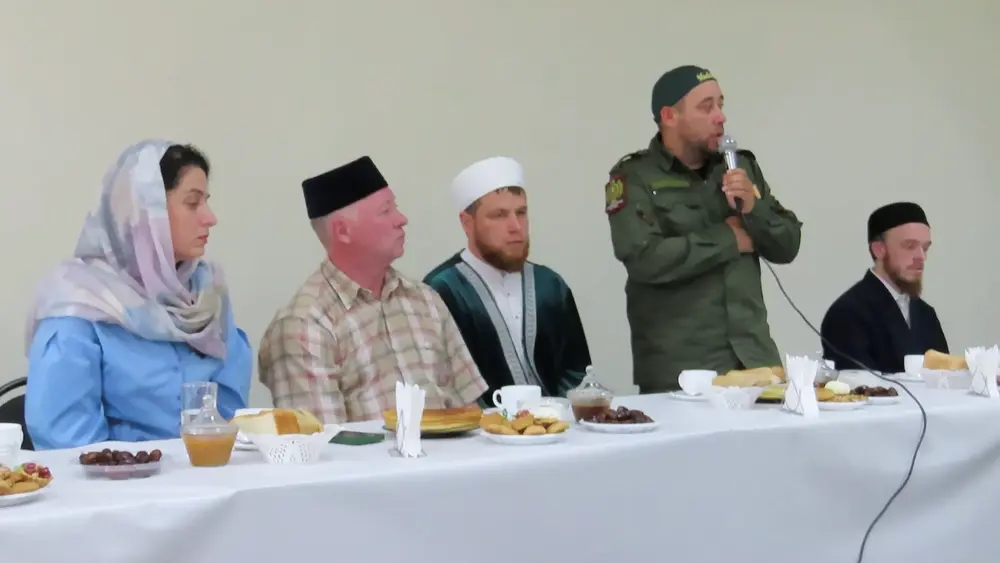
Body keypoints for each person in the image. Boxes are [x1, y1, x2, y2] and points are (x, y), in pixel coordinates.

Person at [25, 140, 252, 450]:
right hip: (117, 476)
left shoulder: (207, 291)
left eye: (206, 202)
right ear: (146, 211)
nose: (210, 217)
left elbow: (230, 416)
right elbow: (68, 441)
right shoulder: (80, 301)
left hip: (210, 470)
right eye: (192, 203)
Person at [604, 65, 803, 393]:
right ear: (669, 116)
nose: (720, 117)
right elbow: (643, 258)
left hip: (755, 359)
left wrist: (753, 208)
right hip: (683, 371)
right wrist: (729, 239)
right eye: (706, 107)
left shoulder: (739, 165)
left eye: (721, 104)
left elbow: (788, 245)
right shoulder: (635, 177)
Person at [257, 156, 489, 423]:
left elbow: (470, 414)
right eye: (386, 211)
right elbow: (325, 442)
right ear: (343, 231)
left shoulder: (425, 300)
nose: (402, 219)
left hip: (455, 450)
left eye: (396, 208)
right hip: (368, 454)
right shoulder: (304, 324)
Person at [424, 157, 592, 404]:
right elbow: (444, 386)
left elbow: (577, 372)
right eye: (499, 215)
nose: (516, 226)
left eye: (521, 213)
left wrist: (561, 413)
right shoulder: (441, 290)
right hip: (480, 426)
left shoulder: (550, 285)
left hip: (558, 422)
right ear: (467, 223)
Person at [820, 202, 946, 374]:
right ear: (879, 249)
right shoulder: (847, 314)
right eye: (910, 246)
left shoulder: (926, 314)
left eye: (925, 248)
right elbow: (860, 386)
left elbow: (945, 380)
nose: (921, 257)